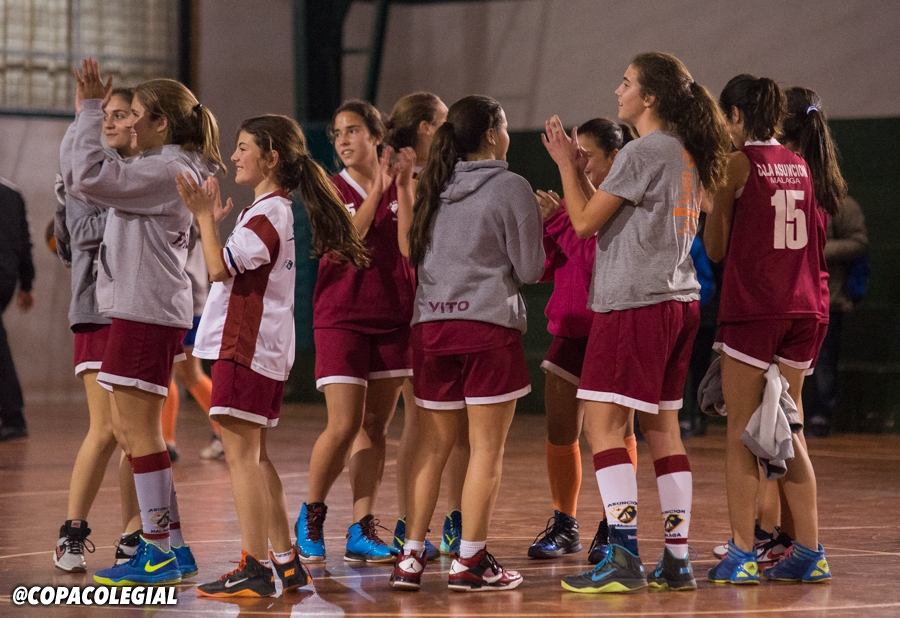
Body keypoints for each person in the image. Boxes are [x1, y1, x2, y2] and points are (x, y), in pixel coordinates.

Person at [543, 51, 730, 593]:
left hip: (635, 304)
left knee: (603, 428)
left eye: (626, 83)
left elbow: (582, 224)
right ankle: (676, 560)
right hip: (679, 302)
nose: (617, 90)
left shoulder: (643, 150)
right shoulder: (687, 151)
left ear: (650, 98)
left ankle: (623, 557)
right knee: (663, 429)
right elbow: (610, 221)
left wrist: (566, 165)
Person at [177, 114, 368, 597]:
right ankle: (285, 560)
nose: (235, 156)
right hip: (260, 347)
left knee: (241, 458)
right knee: (256, 457)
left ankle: (253, 565)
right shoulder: (270, 210)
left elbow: (218, 269)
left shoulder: (268, 214)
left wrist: (203, 218)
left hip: (245, 346)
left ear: (271, 158)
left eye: (244, 147)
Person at [69, 58, 222, 586]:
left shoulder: (164, 169)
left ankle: (154, 553)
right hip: (146, 310)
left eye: (135, 114)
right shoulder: (165, 164)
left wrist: (91, 110)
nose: (128, 122)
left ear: (161, 122)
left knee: (141, 436)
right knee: (137, 434)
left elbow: (87, 176)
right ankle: (173, 545)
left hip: (145, 312)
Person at [390, 95, 543, 592]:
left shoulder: (433, 184)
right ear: (494, 134)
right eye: (505, 126)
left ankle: (410, 558)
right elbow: (531, 269)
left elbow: (413, 253)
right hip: (486, 328)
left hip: (430, 329)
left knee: (433, 448)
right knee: (485, 450)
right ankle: (470, 560)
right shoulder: (511, 185)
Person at [705, 76, 840, 585]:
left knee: (742, 433)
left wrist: (713, 199)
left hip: (755, 309)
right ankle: (809, 550)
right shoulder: (803, 165)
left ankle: (743, 552)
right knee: (790, 427)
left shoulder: (738, 164)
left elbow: (715, 249)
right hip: (803, 310)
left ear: (737, 115)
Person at [297, 99, 416, 563]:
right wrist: (378, 191)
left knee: (375, 427)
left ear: (376, 136)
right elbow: (343, 243)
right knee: (344, 424)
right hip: (341, 316)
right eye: (337, 133)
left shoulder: (404, 183)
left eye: (352, 130)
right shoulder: (329, 188)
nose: (343, 140)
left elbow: (411, 247)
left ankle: (361, 528)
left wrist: (400, 188)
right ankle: (311, 515)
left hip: (393, 316)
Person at [528, 119, 639, 563]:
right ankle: (565, 523)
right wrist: (545, 226)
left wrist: (559, 220)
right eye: (575, 155)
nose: (580, 163)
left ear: (615, 157)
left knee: (615, 432)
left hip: (611, 328)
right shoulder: (575, 203)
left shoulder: (623, 199)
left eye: (587, 155)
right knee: (560, 429)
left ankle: (615, 525)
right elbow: (543, 268)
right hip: (571, 328)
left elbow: (599, 261)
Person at [53, 86, 143, 572]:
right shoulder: (88, 174)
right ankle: (72, 534)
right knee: (106, 429)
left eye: (122, 114)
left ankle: (134, 534)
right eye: (105, 113)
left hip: (141, 311)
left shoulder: (147, 172)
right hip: (97, 311)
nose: (110, 121)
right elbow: (78, 235)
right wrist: (135, 208)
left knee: (137, 434)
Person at [385, 91, 466, 559]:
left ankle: (453, 520)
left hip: (444, 309)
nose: (449, 125)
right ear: (424, 128)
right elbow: (406, 248)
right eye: (442, 119)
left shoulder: (451, 175)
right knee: (419, 423)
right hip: (418, 311)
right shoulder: (402, 179)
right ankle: (409, 522)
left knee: (454, 425)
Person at [159, 233, 221, 462]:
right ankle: (224, 434)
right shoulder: (195, 220)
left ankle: (166, 442)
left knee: (167, 374)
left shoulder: (181, 218)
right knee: (189, 374)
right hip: (192, 301)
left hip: (180, 303)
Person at [0, 177, 34, 442]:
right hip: (6, 279)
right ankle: (13, 416)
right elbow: (25, 242)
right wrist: (26, 284)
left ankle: (13, 417)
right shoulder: (12, 192)